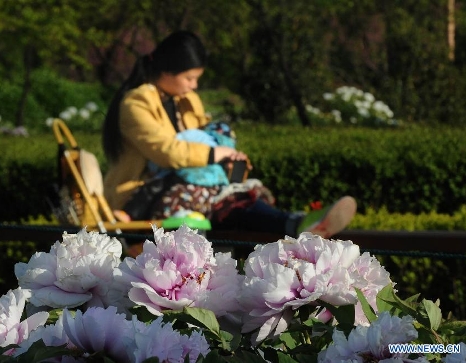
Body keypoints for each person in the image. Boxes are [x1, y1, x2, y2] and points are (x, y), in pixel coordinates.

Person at [102, 30, 357, 239]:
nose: (194, 86)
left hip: (186, 187)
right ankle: (294, 224)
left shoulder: (185, 100)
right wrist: (216, 154)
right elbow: (167, 152)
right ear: (167, 70)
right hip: (142, 198)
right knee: (227, 200)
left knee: (234, 190)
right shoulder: (136, 103)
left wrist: (228, 160)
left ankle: (295, 224)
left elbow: (203, 140)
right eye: (190, 78)